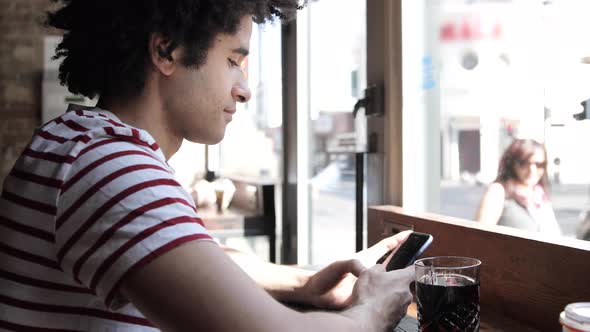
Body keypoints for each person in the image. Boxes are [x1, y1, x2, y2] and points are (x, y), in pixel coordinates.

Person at [0, 1, 415, 331]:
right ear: (166, 51)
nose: (245, 89)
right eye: (234, 61)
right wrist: (374, 309)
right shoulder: (112, 167)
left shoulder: (78, 142)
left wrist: (304, 283)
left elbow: (192, 254)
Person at [475, 138, 562, 235]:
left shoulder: (540, 195)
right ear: (512, 163)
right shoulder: (498, 192)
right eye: (524, 163)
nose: (532, 170)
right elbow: (478, 238)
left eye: (539, 164)